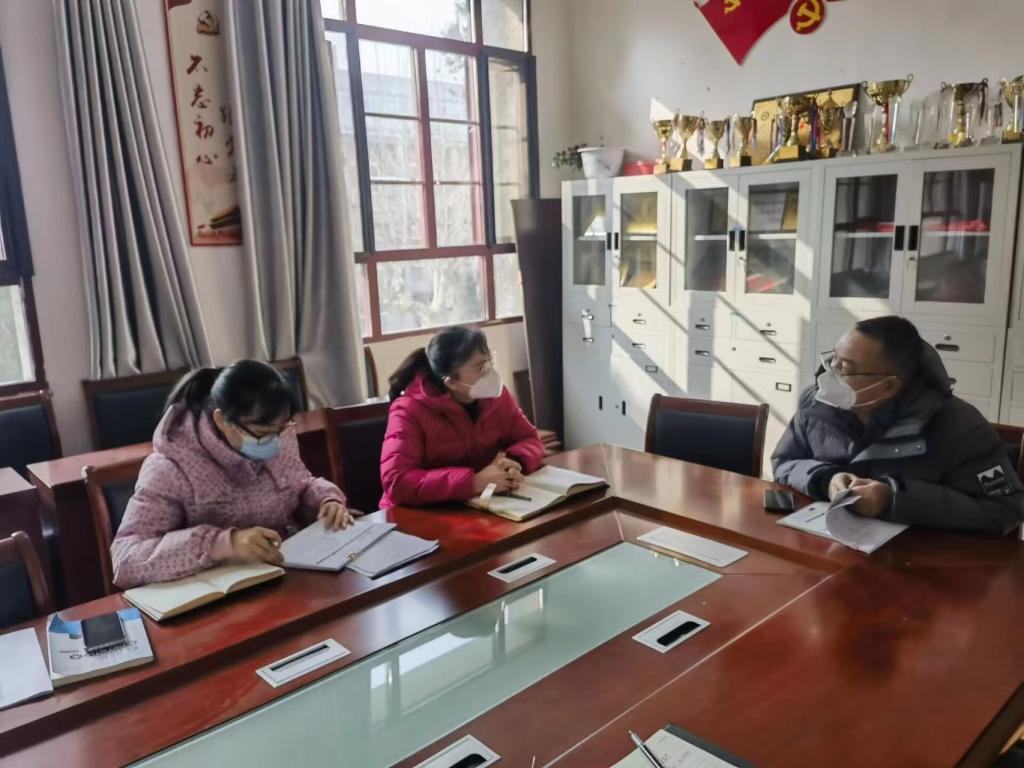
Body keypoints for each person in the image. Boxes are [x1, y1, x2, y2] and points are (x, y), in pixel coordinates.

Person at [772, 316, 1024, 535]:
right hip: (826, 543)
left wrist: (894, 498)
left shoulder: (960, 426)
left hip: (917, 560)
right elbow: (784, 461)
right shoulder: (816, 404)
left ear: (888, 386)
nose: (829, 376)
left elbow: (1006, 510)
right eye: (832, 360)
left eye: (845, 369)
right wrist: (825, 479)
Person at [111, 360, 352, 589]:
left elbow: (299, 484)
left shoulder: (279, 435)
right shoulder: (171, 467)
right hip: (222, 599)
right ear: (222, 420)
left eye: (281, 428)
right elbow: (126, 559)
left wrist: (324, 500)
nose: (276, 441)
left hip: (290, 576)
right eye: (262, 433)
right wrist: (223, 544)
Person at [379, 326, 545, 508]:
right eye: (481, 367)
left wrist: (514, 461)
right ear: (451, 382)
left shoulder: (497, 397)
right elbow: (397, 482)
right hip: (417, 515)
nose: (491, 372)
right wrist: (474, 482)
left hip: (480, 505)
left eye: (490, 361)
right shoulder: (408, 410)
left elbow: (530, 438)